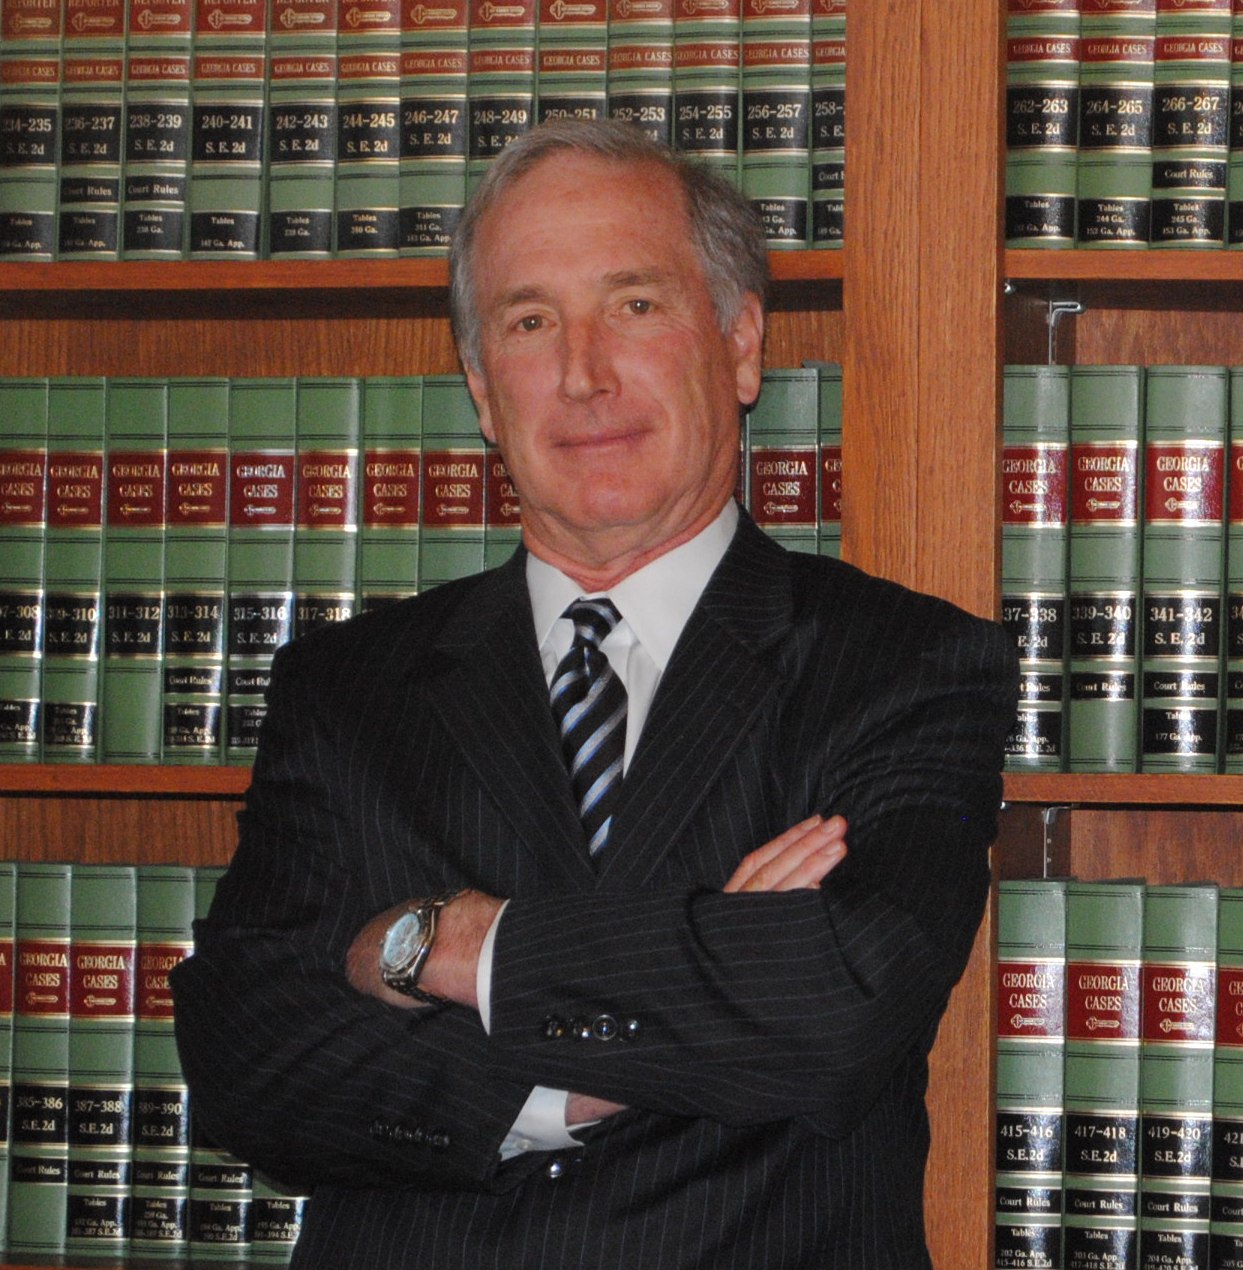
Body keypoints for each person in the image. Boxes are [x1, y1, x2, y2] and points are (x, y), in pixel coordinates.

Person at [170, 117, 1018, 1269]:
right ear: (483, 391)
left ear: (739, 344)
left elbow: (838, 1006)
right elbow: (247, 1060)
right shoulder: (348, 688)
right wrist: (582, 1076)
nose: (583, 373)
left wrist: (455, 942)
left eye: (634, 304)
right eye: (530, 322)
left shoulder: (902, 664)